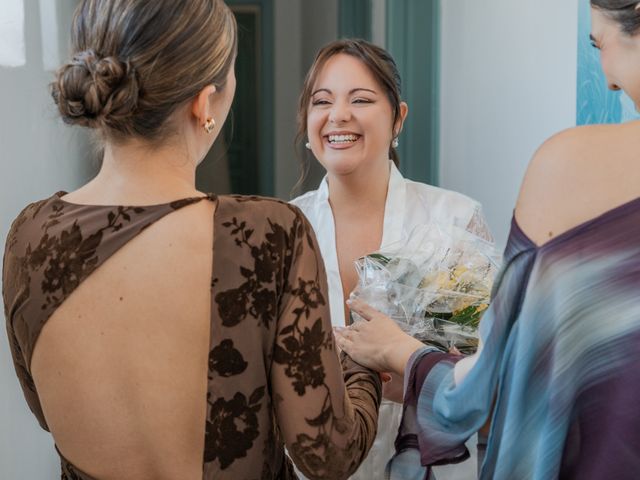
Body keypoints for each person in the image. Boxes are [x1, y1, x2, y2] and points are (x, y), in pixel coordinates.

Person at [2, 2, 382, 479]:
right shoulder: (269, 236)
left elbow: (46, 412)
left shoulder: (29, 236)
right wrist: (359, 362)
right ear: (204, 103)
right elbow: (327, 455)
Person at [335, 2, 640, 479]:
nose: (610, 81)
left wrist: (402, 353)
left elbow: (487, 385)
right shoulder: (295, 220)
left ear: (398, 118)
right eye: (321, 100)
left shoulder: (566, 170)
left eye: (600, 45)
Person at [290, 39, 493, 479]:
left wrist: (408, 363)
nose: (338, 115)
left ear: (398, 117)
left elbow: (489, 370)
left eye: (360, 99)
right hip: (311, 462)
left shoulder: (456, 220)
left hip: (426, 462)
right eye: (321, 102)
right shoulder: (285, 227)